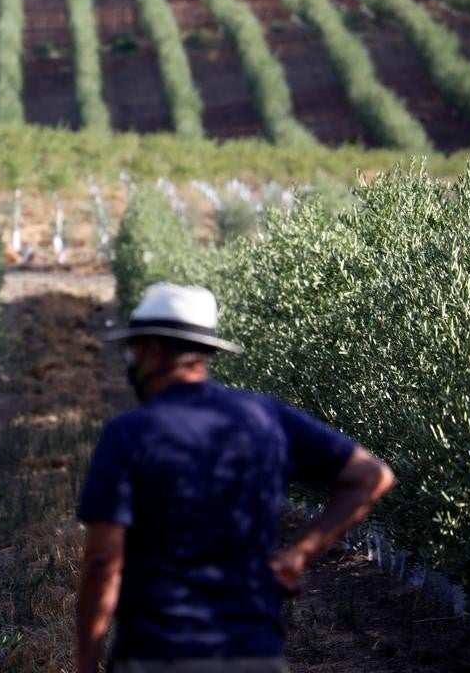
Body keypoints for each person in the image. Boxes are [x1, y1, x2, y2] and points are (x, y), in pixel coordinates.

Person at [76, 283, 395, 673]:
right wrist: (297, 556)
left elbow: (103, 559)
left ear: (154, 351)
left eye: (135, 350)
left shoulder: (129, 433)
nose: (132, 364)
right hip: (253, 652)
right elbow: (372, 476)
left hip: (156, 651)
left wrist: (87, 661)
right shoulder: (265, 417)